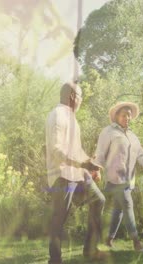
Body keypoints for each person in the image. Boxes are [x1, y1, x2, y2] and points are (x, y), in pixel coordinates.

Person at [45, 82, 108, 264]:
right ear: (73, 97)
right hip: (62, 175)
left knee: (98, 200)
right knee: (59, 219)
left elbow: (76, 150)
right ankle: (55, 260)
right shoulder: (57, 115)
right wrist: (82, 163)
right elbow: (57, 150)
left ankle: (90, 249)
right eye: (81, 97)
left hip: (77, 173)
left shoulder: (71, 118)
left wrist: (91, 165)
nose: (81, 101)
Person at [93, 102, 143, 252]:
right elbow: (100, 153)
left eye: (129, 115)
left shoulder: (133, 136)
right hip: (115, 179)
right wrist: (96, 169)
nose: (127, 117)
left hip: (128, 180)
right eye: (123, 114)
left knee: (118, 210)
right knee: (127, 205)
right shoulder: (108, 132)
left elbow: (141, 155)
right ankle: (136, 243)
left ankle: (108, 240)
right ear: (116, 116)